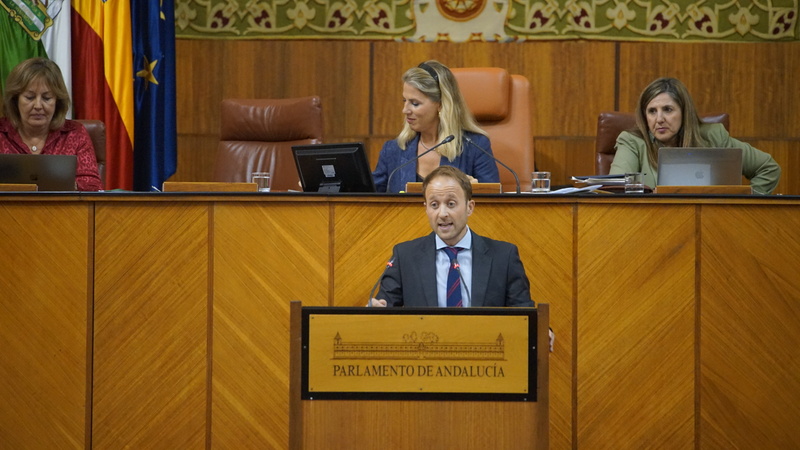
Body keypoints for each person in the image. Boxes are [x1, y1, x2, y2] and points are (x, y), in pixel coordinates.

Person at [370, 165, 532, 308]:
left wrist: (543, 332)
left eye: (451, 204)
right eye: (434, 205)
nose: (442, 214)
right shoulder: (405, 256)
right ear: (426, 209)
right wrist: (377, 309)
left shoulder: (504, 257)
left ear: (470, 207)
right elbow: (386, 307)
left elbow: (525, 314)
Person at [610, 77, 780, 195]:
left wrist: (744, 205)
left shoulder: (713, 137)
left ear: (684, 113)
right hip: (651, 227)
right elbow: (617, 190)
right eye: (652, 111)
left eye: (668, 110)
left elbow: (768, 168)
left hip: (709, 226)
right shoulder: (632, 142)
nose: (659, 119)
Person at [372, 60, 500, 193]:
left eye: (415, 103)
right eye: (405, 101)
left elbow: (493, 203)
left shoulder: (475, 146)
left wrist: (475, 191)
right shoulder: (393, 150)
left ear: (441, 104)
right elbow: (369, 197)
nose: (405, 110)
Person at [0, 57, 101, 191]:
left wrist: (66, 185)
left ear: (57, 101)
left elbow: (93, 187)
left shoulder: (74, 134)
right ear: (15, 99)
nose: (38, 105)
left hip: (62, 211)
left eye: (47, 98)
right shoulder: (2, 133)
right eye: (29, 97)